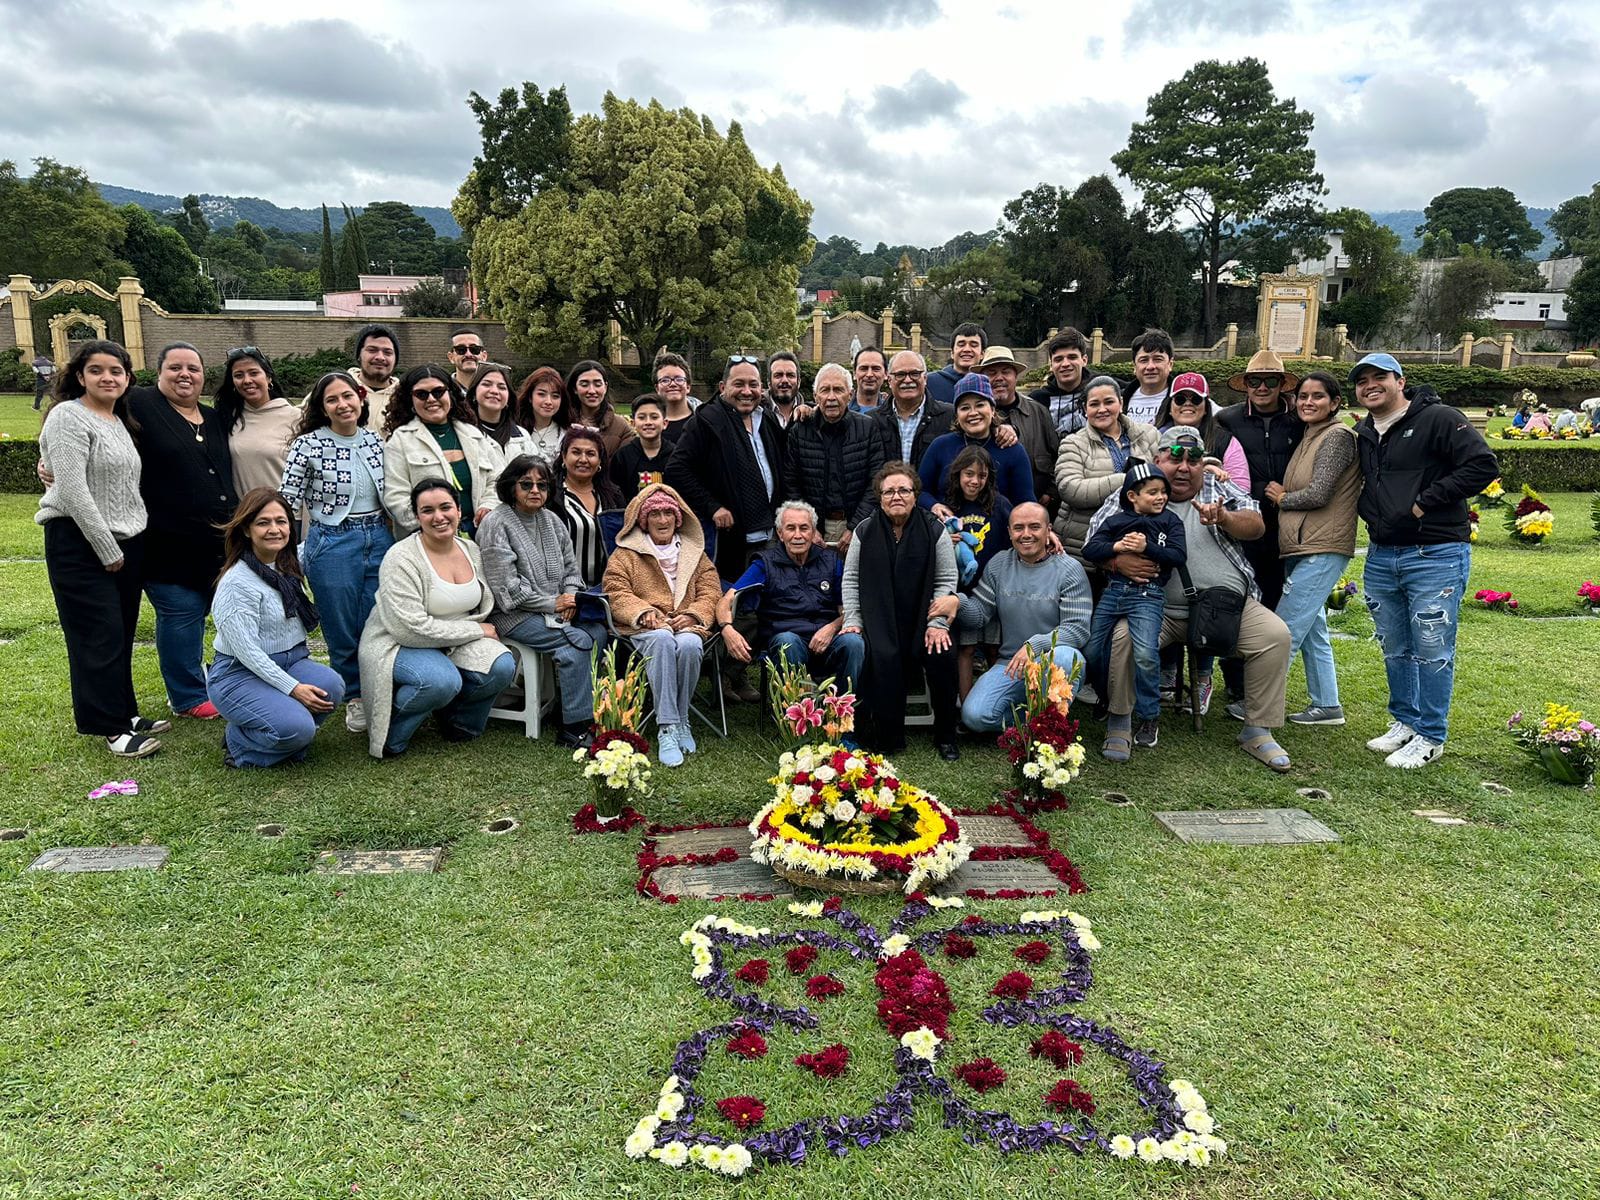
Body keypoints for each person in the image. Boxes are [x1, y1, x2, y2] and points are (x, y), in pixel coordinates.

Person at [1088, 431, 1294, 772]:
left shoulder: (1218, 490)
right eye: (1174, 459)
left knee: (1274, 636)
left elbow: (1256, 524)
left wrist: (1224, 518)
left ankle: (1258, 730)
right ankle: (1120, 721)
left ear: (1204, 464)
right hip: (1152, 608)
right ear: (1158, 461)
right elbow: (1095, 538)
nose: (1184, 468)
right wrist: (1115, 561)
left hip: (1224, 608)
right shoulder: (1134, 494)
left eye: (1193, 460)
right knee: (1122, 639)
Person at [1350, 352, 1498, 769]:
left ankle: (1431, 735)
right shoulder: (1366, 431)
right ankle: (1405, 720)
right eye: (1362, 381)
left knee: (1432, 646)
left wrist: (1423, 505)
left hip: (1434, 552)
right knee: (1395, 645)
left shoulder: (1438, 418)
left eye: (1380, 377)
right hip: (1383, 553)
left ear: (1401, 380)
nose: (1370, 386)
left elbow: (1483, 465)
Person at [37, 339, 166, 758]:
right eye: (97, 370)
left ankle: (124, 712)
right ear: (80, 376)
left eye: (116, 371)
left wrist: (127, 543)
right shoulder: (68, 416)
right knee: (98, 634)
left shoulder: (116, 420)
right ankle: (109, 727)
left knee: (122, 631)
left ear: (128, 379)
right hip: (81, 542)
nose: (107, 377)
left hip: (126, 541)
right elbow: (72, 490)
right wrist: (106, 548)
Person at [357, 478, 516, 758]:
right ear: (417, 516)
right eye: (427, 510)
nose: (438, 517)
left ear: (458, 510)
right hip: (399, 640)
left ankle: (459, 723)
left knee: (501, 666)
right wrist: (476, 631)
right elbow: (408, 628)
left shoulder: (472, 551)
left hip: (454, 636)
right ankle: (391, 735)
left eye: (446, 507)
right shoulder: (401, 558)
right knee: (441, 682)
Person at [128, 342, 237, 720]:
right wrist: (51, 458)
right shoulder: (139, 405)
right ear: (158, 373)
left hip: (216, 543)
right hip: (165, 543)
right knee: (182, 612)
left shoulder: (214, 418)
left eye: (193, 368)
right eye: (175, 367)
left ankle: (216, 678)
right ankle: (187, 695)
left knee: (213, 612)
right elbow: (82, 414)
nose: (184, 375)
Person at [279, 370, 392, 733]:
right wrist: (285, 550)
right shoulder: (309, 444)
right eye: (332, 400)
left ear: (360, 399)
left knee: (375, 622)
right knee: (341, 627)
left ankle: (380, 690)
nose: (342, 404)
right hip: (332, 541)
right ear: (322, 408)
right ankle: (355, 698)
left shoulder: (376, 441)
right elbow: (287, 501)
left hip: (378, 536)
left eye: (347, 396)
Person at [207, 489, 345, 768]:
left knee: (332, 687)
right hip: (239, 672)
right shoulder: (237, 584)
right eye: (263, 522)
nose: (275, 530)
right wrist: (293, 689)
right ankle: (241, 744)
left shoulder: (286, 564)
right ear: (246, 529)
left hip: (290, 659)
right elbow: (248, 653)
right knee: (297, 728)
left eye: (281, 522)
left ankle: (280, 732)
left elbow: (322, 544)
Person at [477, 455, 604, 749]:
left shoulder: (552, 520)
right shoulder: (496, 523)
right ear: (511, 487)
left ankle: (575, 707)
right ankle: (573, 729)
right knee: (575, 643)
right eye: (526, 484)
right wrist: (553, 604)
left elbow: (573, 570)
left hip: (558, 608)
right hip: (513, 615)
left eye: (542, 485)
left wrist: (570, 597)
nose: (535, 490)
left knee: (597, 632)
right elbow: (507, 589)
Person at [841, 463, 961, 760]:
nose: (896, 496)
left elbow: (946, 579)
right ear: (879, 497)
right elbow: (851, 578)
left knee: (942, 653)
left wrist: (936, 623)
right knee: (880, 655)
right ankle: (887, 735)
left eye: (903, 490)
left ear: (915, 495)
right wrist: (854, 620)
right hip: (878, 620)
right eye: (889, 491)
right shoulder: (864, 531)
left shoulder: (935, 530)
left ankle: (946, 734)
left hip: (924, 618)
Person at [1264, 370, 1361, 728]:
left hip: (1322, 545)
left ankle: (1260, 705)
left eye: (1317, 396)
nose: (1308, 402)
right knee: (1313, 630)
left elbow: (1319, 493)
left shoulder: (1335, 437)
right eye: (1303, 396)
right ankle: (1327, 705)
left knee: (1284, 629)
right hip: (1304, 544)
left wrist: (1282, 498)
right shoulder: (1311, 435)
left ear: (1334, 402)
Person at [601, 483, 722, 767]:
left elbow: (711, 590)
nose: (663, 519)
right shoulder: (626, 554)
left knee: (691, 644)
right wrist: (642, 612)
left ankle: (682, 719)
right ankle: (668, 727)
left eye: (669, 512)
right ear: (643, 519)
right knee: (663, 640)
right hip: (647, 627)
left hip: (686, 623)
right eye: (655, 514)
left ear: (678, 517)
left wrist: (693, 615)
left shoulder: (694, 552)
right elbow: (615, 590)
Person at [954, 502, 1091, 734]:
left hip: (1053, 660)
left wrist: (1035, 645)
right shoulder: (999, 564)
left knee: (1066, 656)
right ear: (1009, 533)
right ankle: (1034, 720)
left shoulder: (1069, 569)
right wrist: (957, 601)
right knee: (974, 716)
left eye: (1034, 527)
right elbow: (979, 615)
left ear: (1048, 530)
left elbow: (1077, 630)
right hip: (1011, 665)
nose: (1026, 534)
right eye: (1018, 528)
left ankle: (1049, 724)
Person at [1081, 463, 1187, 749]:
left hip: (1149, 596)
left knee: (1145, 654)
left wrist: (1146, 548)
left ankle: (1149, 715)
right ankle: (1105, 695)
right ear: (1132, 496)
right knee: (1092, 648)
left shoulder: (1170, 521)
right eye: (1152, 492)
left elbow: (1178, 556)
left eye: (1163, 492)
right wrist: (1117, 548)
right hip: (1114, 592)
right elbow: (1090, 549)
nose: (1160, 497)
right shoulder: (1116, 521)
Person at [718, 499, 864, 692]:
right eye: (790, 528)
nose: (798, 535)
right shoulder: (765, 563)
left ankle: (842, 710)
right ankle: (797, 713)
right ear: (780, 533)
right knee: (788, 642)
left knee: (853, 642)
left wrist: (832, 628)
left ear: (813, 532)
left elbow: (848, 608)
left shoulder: (831, 560)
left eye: (804, 528)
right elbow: (726, 600)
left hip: (828, 638)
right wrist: (727, 630)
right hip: (787, 638)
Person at [666, 355, 786, 583]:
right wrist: (713, 506)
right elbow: (676, 470)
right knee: (732, 605)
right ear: (723, 387)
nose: (747, 391)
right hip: (730, 539)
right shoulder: (705, 422)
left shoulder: (767, 419)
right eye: (739, 384)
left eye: (753, 384)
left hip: (770, 534)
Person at [1219, 349, 1304, 611]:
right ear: (1245, 385)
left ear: (1281, 384)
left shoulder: (1299, 420)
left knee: (1282, 596)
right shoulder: (1227, 419)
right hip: (1244, 520)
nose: (1262, 388)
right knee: (1240, 592)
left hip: (1288, 519)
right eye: (1255, 381)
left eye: (1271, 381)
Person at [1052, 375, 1160, 571]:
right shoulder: (1073, 443)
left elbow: (1172, 464)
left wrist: (1209, 464)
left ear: (1121, 403)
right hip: (1084, 545)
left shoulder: (1149, 435)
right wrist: (1128, 481)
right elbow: (1070, 489)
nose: (1102, 409)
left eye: (1109, 402)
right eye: (1094, 404)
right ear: (1085, 409)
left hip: (1139, 543)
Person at [381, 365, 503, 537]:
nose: (431, 399)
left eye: (438, 392)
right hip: (429, 539)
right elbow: (396, 498)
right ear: (410, 400)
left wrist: (488, 505)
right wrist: (438, 524)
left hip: (481, 533)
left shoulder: (473, 435)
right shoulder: (399, 442)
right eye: (422, 394)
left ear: (450, 395)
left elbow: (498, 479)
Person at [782, 362, 884, 548]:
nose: (831, 397)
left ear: (850, 394)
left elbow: (875, 482)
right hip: (813, 530)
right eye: (824, 390)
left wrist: (856, 527)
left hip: (859, 525)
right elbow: (791, 483)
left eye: (838, 389)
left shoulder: (867, 428)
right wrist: (808, 526)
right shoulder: (800, 430)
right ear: (815, 396)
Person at [942, 446, 1012, 699]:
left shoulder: (1000, 504)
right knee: (967, 649)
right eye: (969, 474)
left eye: (981, 476)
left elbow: (1015, 535)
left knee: (994, 648)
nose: (974, 481)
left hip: (993, 590)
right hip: (964, 593)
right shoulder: (949, 507)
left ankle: (991, 701)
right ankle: (965, 703)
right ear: (958, 474)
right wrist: (945, 541)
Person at [919, 374, 1035, 514]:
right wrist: (934, 505)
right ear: (957, 415)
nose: (973, 413)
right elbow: (920, 491)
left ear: (992, 410)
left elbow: (1025, 501)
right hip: (948, 531)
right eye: (965, 408)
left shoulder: (1012, 450)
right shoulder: (940, 446)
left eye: (980, 405)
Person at [214, 346, 301, 495]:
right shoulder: (226, 418)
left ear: (268, 377)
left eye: (254, 373)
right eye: (239, 375)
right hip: (243, 514)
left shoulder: (297, 418)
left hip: (283, 514)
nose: (247, 380)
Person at [982, 345, 1060, 510]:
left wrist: (1050, 492)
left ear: (1015, 376)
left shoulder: (1038, 411)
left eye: (1005, 372)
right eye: (992, 373)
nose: (999, 378)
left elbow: (1057, 456)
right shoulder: (976, 417)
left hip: (1035, 507)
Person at [552, 424, 624, 589]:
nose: (583, 459)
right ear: (563, 457)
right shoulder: (551, 497)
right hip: (562, 591)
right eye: (576, 452)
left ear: (599, 461)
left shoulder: (614, 497)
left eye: (591, 454)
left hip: (607, 590)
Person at [1152, 372, 1249, 490]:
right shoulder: (1153, 438)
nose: (1188, 404)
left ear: (1206, 408)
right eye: (1180, 399)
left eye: (1196, 399)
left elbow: (1242, 490)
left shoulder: (1224, 441)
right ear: (1169, 408)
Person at [869, 350, 954, 469]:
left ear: (925, 378)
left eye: (915, 373)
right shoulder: (871, 421)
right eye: (900, 374)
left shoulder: (949, 416)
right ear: (889, 380)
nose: (908, 380)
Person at [562, 360, 636, 459]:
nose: (592, 391)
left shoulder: (621, 428)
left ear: (605, 387)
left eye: (597, 384)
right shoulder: (562, 422)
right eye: (584, 385)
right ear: (575, 388)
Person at [468, 362, 536, 461]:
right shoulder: (464, 432)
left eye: (502, 387)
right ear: (474, 392)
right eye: (486, 384)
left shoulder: (522, 436)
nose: (494, 391)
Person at [610, 393, 671, 502]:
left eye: (654, 417)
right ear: (633, 424)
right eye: (642, 417)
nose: (648, 422)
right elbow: (616, 493)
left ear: (665, 423)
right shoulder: (622, 456)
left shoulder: (675, 455)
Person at [1028, 328, 1091, 434]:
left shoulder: (1099, 391)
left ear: (1084, 360)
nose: (1065, 364)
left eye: (1072, 357)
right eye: (1058, 359)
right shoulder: (1036, 401)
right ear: (1051, 364)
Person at [513, 365, 567, 463]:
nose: (548, 402)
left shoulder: (566, 434)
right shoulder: (515, 431)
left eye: (555, 396)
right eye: (541, 394)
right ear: (530, 397)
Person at [1122, 329, 1175, 426]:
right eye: (1144, 360)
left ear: (1170, 364)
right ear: (1134, 366)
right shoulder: (1119, 400)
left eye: (1158, 359)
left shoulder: (1183, 401)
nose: (1150, 366)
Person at [926, 322, 987, 405]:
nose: (967, 349)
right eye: (961, 344)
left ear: (982, 354)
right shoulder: (929, 382)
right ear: (952, 353)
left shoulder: (989, 384)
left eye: (973, 345)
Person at [350, 324, 401, 409]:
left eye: (387, 352)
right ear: (359, 355)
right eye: (372, 350)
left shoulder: (406, 398)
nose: (380, 357)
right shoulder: (339, 392)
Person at [652, 352, 699, 443]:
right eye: (665, 380)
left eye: (679, 379)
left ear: (688, 386)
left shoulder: (705, 420)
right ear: (657, 388)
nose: (673, 384)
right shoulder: (647, 425)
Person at [765, 351, 804, 429]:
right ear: (769, 382)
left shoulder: (809, 417)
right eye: (778, 375)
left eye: (790, 375)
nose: (785, 380)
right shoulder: (756, 414)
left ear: (798, 382)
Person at [446, 328, 486, 394]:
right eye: (461, 349)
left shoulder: (494, 392)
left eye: (474, 349)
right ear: (451, 357)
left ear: (484, 356)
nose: (468, 354)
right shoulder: (443, 392)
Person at [851, 345, 888, 415]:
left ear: (886, 374)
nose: (869, 374)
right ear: (854, 374)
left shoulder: (893, 415)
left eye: (876, 369)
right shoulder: (842, 413)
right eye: (863, 368)